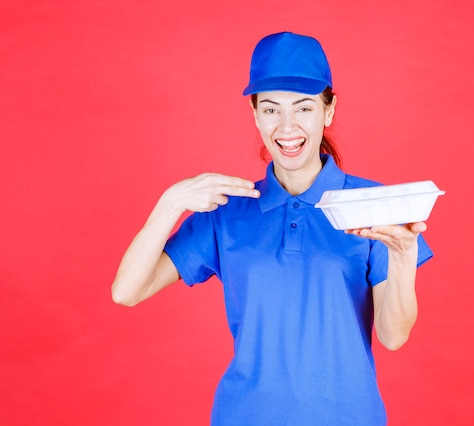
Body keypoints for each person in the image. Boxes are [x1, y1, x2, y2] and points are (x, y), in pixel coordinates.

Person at [112, 31, 433, 425]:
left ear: (328, 112)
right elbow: (127, 292)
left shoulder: (374, 206)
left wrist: (403, 256)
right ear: (255, 115)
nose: (287, 126)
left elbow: (393, 337)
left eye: (303, 108)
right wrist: (170, 203)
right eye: (270, 109)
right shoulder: (226, 210)